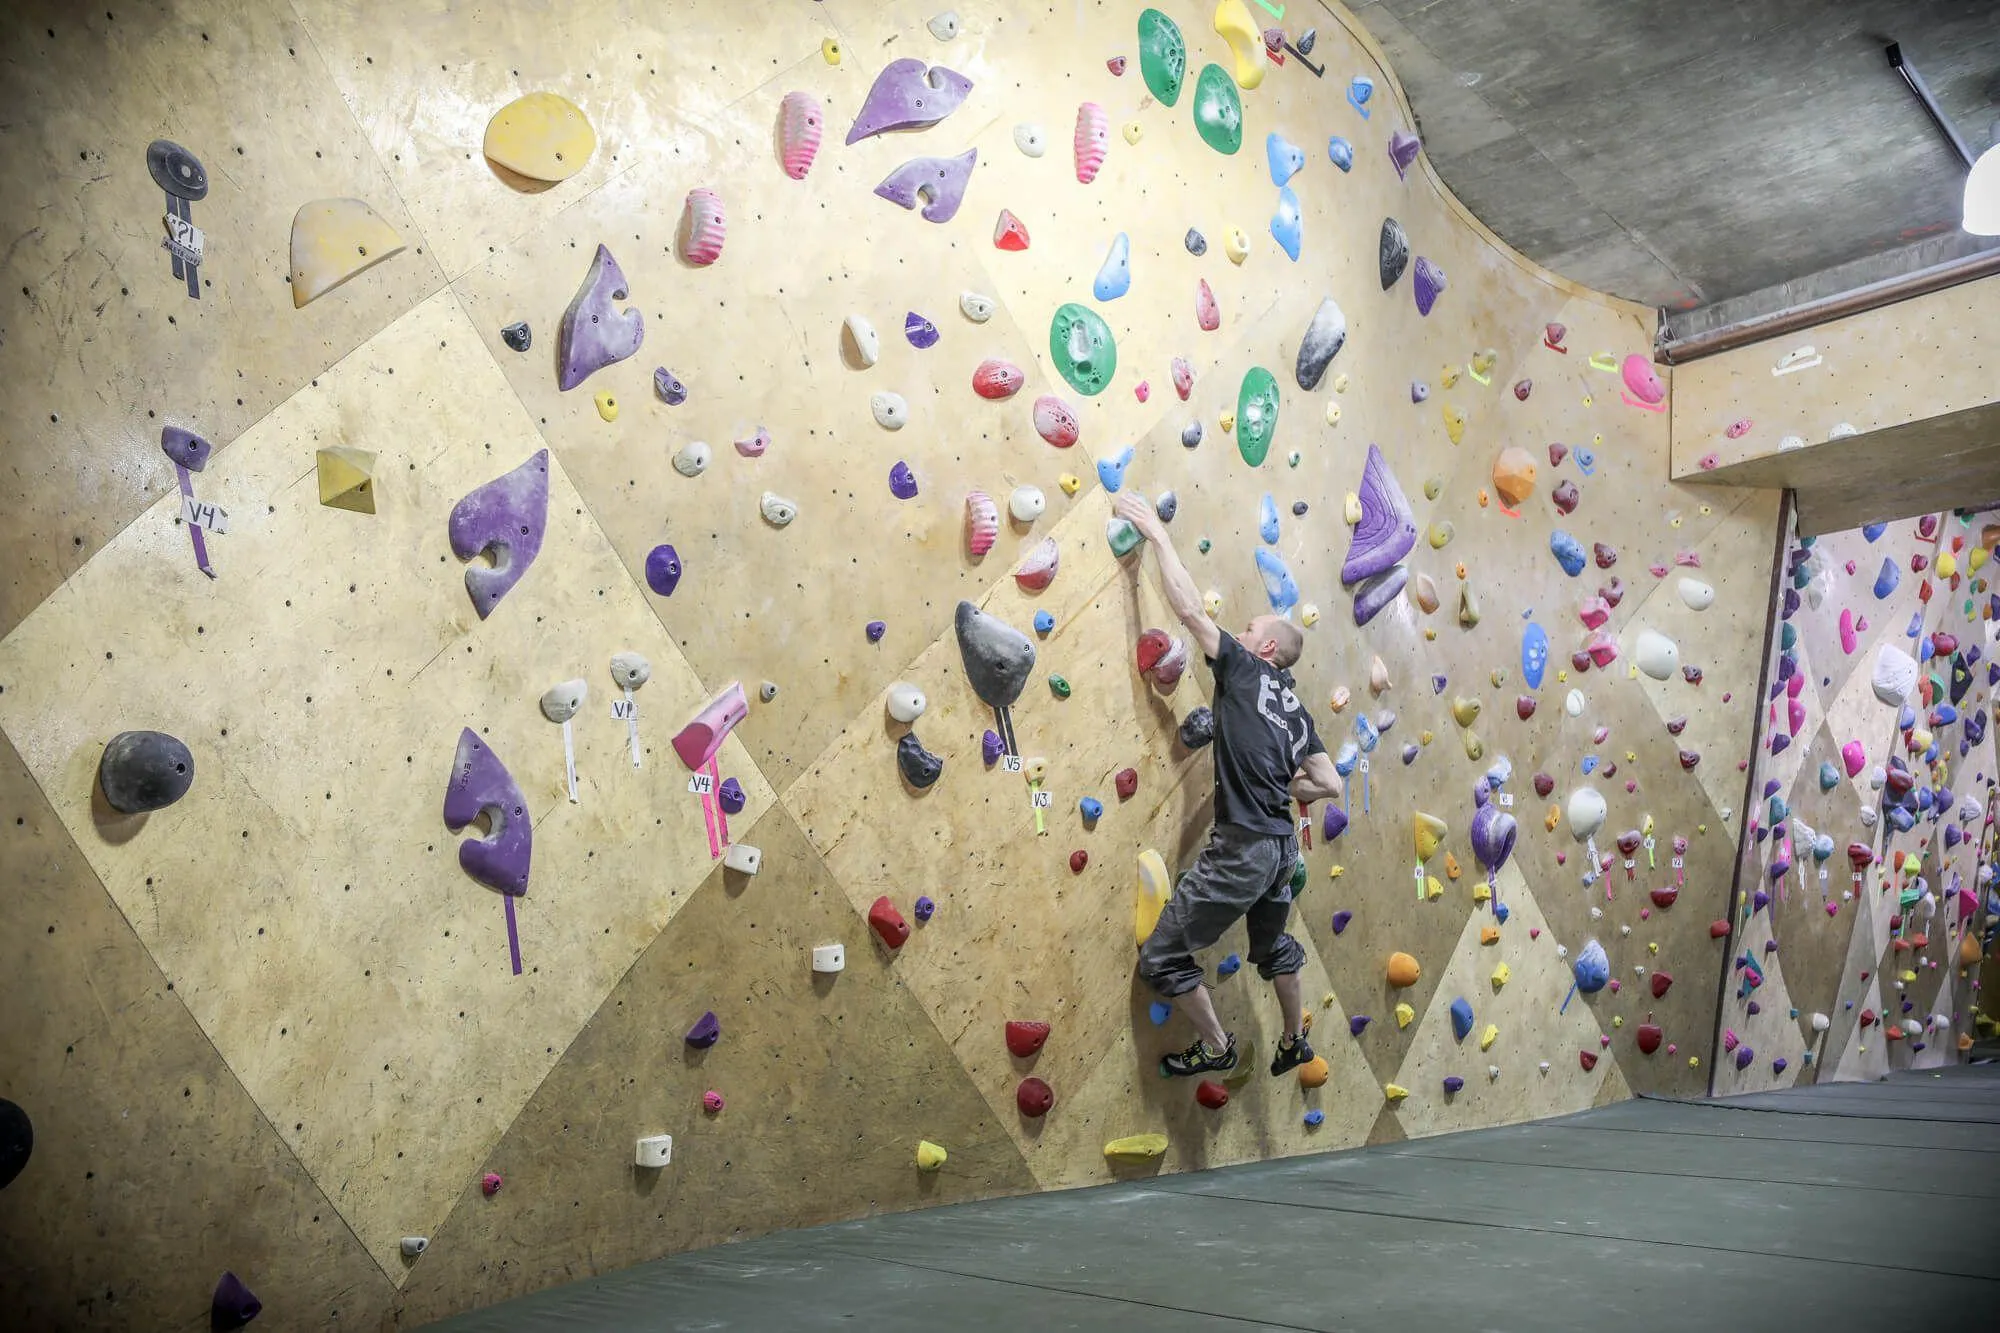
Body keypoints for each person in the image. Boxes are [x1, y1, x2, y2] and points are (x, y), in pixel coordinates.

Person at [1113, 492, 1345, 1078]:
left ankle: (1216, 1045)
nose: (1238, 634)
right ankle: (1294, 1040)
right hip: (1280, 852)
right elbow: (1331, 782)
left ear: (1265, 648)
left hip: (1244, 848)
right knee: (1270, 949)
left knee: (1161, 954)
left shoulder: (1247, 667)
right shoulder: (1295, 710)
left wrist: (1158, 537)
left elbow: (1190, 612)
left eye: (1248, 629)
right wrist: (1293, 790)